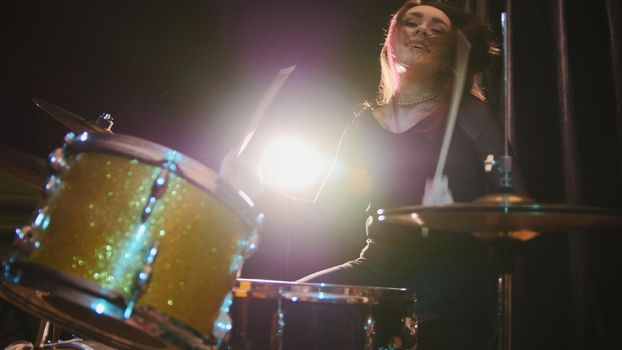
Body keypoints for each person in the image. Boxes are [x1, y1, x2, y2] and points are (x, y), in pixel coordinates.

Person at [293, 1, 526, 349]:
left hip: (451, 272)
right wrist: (253, 189)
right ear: (391, 38)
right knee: (296, 304)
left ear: (449, 51)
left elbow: (514, 200)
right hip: (377, 266)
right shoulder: (363, 127)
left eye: (437, 28)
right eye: (412, 23)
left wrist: (462, 216)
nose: (422, 30)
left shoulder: (472, 117)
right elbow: (328, 213)